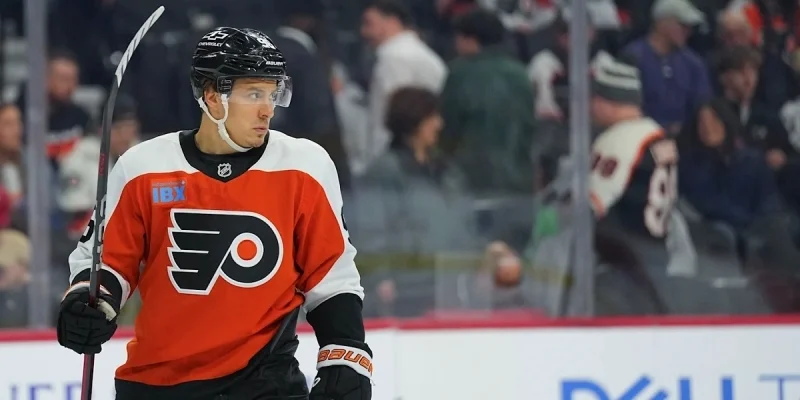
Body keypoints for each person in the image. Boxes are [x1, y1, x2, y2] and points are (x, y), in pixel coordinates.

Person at [55, 27, 372, 400]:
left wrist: (345, 355)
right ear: (212, 97)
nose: (268, 109)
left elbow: (332, 276)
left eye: (273, 93)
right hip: (158, 387)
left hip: (266, 386)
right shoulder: (144, 168)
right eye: (254, 94)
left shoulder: (305, 167)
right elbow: (107, 263)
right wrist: (88, 302)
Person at [589, 55, 678, 253]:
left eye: (595, 97)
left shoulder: (618, 140)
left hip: (622, 257)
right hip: (656, 252)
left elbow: (593, 204)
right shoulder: (658, 135)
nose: (591, 105)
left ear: (611, 101)